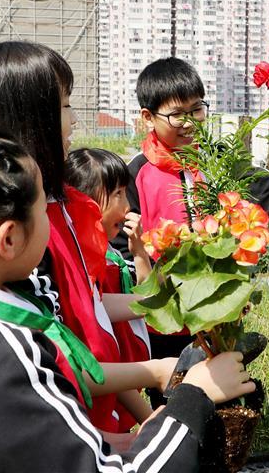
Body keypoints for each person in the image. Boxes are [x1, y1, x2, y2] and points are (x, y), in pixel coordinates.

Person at [0, 124, 255, 471]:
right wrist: (193, 396)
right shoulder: (3, 360)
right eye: (44, 207)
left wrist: (110, 442)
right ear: (9, 239)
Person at [0, 41, 173, 438]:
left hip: (87, 423)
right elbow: (57, 360)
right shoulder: (21, 234)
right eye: (65, 106)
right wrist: (155, 376)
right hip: (64, 433)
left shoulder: (63, 206)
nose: (74, 121)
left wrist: (165, 303)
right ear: (27, 119)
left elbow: (87, 309)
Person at [110, 57, 269, 406]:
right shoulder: (135, 175)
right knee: (172, 397)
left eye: (197, 110)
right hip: (165, 317)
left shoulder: (218, 160)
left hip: (220, 306)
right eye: (176, 114)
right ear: (147, 118)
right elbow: (119, 248)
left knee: (223, 396)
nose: (189, 122)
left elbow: (268, 190)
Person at [65, 147, 156, 430]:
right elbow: (99, 362)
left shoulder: (110, 256)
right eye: (117, 194)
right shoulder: (83, 266)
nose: (127, 207)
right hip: (106, 402)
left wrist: (140, 252)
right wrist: (152, 419)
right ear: (84, 201)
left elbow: (147, 301)